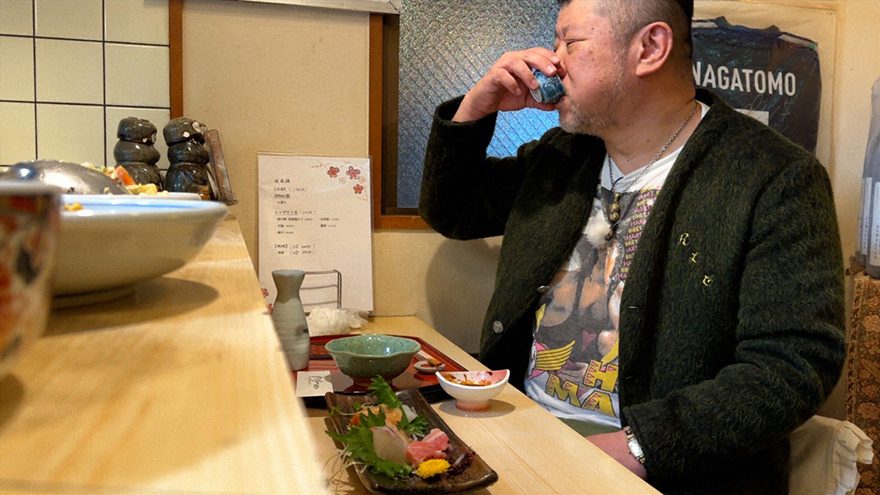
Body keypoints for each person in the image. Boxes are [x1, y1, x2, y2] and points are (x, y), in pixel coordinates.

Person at [418, 0, 846, 493]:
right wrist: (475, 109)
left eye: (570, 42)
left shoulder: (773, 177)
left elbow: (792, 365)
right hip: (524, 438)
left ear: (650, 47)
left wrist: (641, 447)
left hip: (660, 475)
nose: (551, 62)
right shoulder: (564, 157)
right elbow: (453, 211)